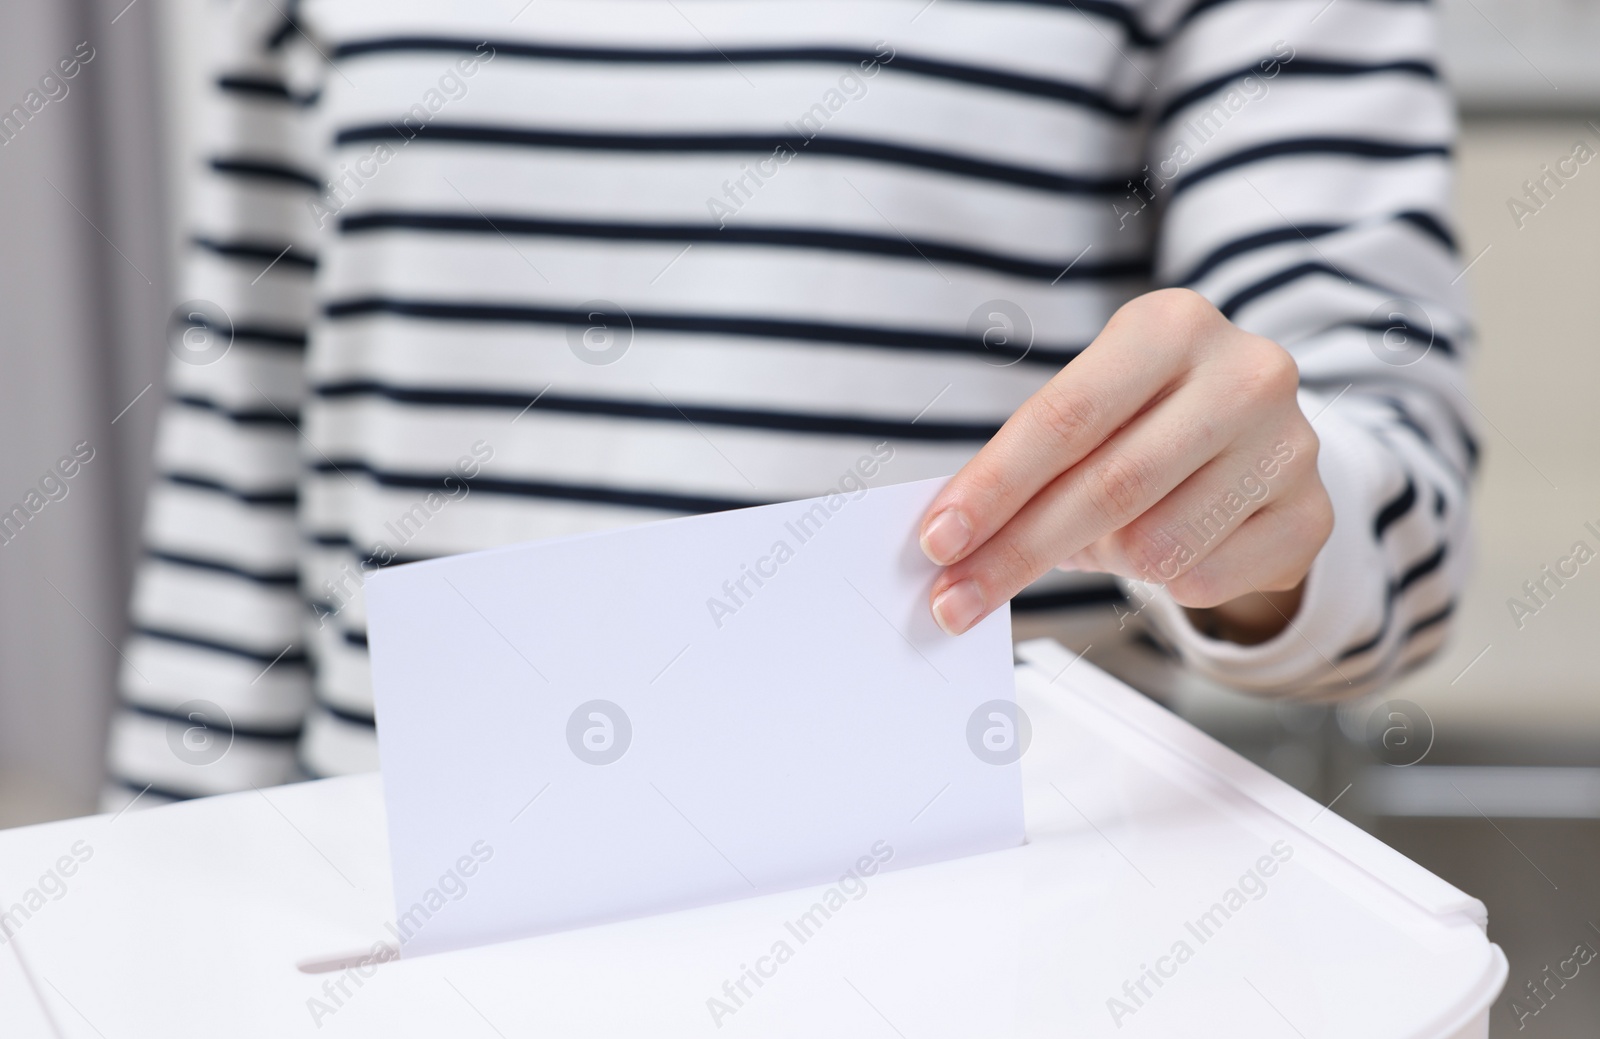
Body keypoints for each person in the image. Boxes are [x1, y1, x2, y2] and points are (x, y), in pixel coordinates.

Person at [105, 0, 1473, 805]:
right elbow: (241, 468)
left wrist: (1259, 523)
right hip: (401, 938)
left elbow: (1394, 500)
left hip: (992, 967)